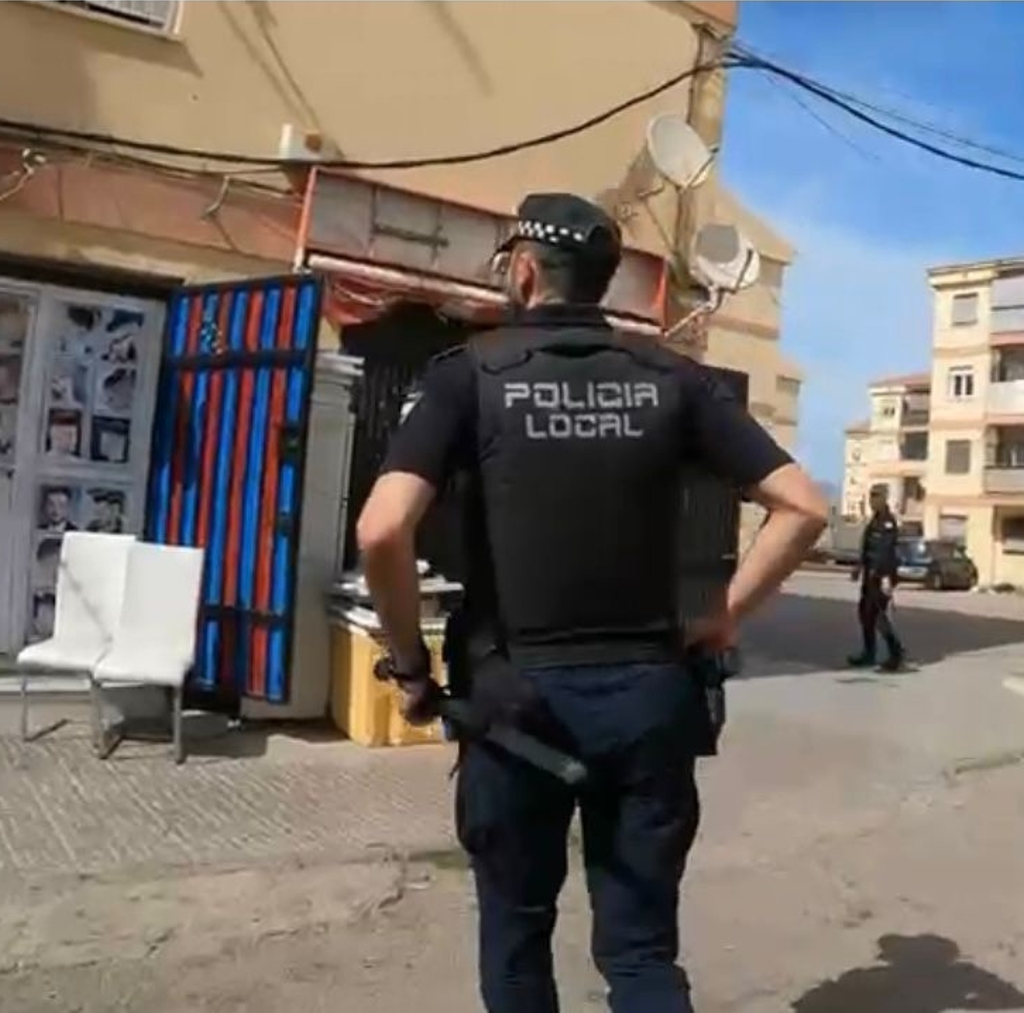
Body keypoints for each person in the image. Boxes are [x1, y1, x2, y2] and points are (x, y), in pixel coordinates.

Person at [354, 192, 828, 1013]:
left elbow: (383, 530)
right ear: (605, 283)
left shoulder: (467, 377)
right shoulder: (672, 380)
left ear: (526, 271)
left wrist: (410, 665)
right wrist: (723, 617)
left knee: (517, 935)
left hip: (513, 706)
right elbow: (803, 507)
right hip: (649, 698)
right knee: (641, 955)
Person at [846, 484, 906, 672]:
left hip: (881, 576)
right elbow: (868, 547)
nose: (873, 500)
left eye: (877, 496)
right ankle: (869, 654)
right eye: (872, 496)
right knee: (866, 614)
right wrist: (859, 567)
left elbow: (887, 551)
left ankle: (896, 654)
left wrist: (886, 577)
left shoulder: (888, 522)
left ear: (884, 498)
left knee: (879, 616)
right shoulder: (875, 521)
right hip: (870, 574)